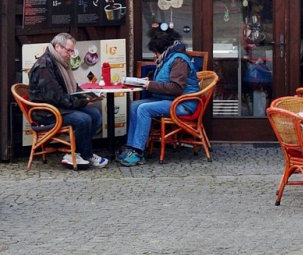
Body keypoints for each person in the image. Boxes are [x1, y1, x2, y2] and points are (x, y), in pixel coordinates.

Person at [118, 26, 199, 167]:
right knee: (134, 105)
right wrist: (148, 80)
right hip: (169, 100)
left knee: (144, 109)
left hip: (182, 104)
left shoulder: (179, 60)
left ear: (161, 50)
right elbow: (165, 79)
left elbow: (176, 88)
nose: (155, 56)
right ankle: (131, 147)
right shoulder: (168, 58)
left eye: (155, 52)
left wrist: (150, 85)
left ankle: (138, 152)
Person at [28, 32, 108, 169]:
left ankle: (75, 153)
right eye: (69, 51)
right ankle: (86, 155)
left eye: (72, 51)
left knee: (95, 115)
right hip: (47, 112)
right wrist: (82, 102)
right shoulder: (44, 66)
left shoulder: (58, 62)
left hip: (59, 107)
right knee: (84, 119)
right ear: (58, 47)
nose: (70, 54)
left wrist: (86, 96)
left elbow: (71, 87)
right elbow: (56, 97)